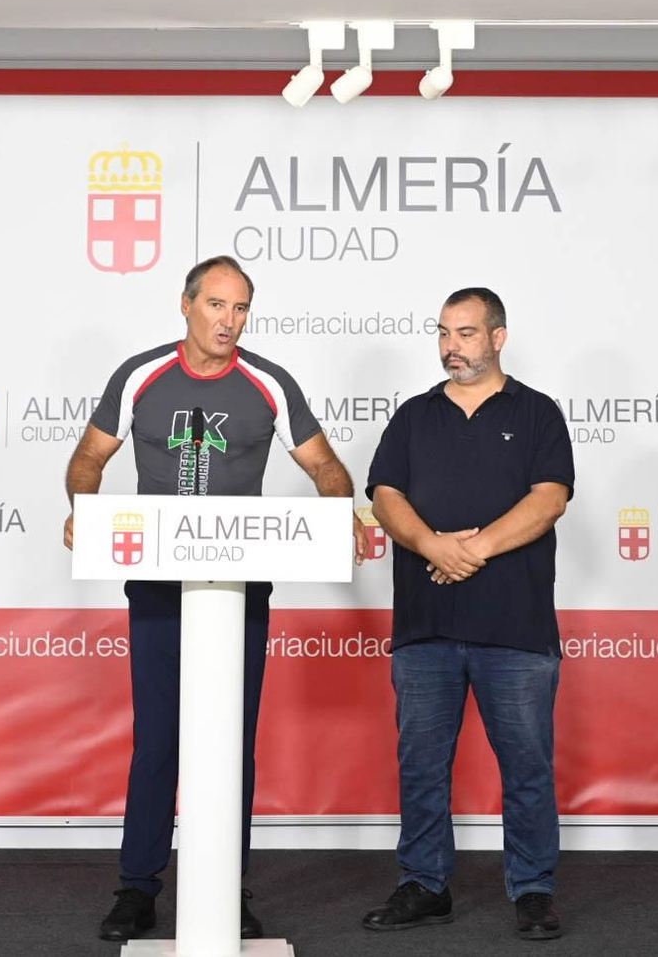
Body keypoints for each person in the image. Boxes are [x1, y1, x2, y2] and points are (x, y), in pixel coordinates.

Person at [63, 255, 367, 943]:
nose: (228, 321)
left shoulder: (268, 382)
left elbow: (324, 465)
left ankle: (227, 886)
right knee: (159, 738)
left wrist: (337, 512)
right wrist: (86, 508)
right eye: (217, 306)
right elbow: (89, 456)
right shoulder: (140, 374)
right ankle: (137, 888)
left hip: (240, 588)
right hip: (159, 588)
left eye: (240, 309)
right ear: (186, 305)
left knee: (232, 742)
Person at [361, 287, 574, 941]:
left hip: (515, 626)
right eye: (444, 333)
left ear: (498, 337)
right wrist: (431, 545)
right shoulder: (413, 415)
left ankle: (534, 889)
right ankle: (424, 882)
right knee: (421, 762)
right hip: (427, 624)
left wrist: (471, 549)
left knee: (527, 765)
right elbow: (385, 493)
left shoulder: (536, 413)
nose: (453, 346)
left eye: (467, 333)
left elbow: (550, 499)